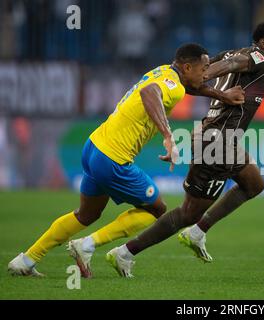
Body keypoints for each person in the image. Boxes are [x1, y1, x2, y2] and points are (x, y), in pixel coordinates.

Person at [7, 43, 245, 277]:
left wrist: (221, 95)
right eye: (204, 69)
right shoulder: (171, 85)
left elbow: (189, 87)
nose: (207, 75)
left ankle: (26, 259)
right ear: (186, 68)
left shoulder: (165, 72)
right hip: (112, 158)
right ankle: (86, 245)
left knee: (86, 214)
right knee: (156, 208)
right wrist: (168, 136)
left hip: (93, 147)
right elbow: (149, 92)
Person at [106, 21, 264, 277]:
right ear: (263, 44)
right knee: (188, 212)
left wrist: (217, 89)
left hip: (223, 140)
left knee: (254, 183)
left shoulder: (231, 52)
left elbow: (191, 83)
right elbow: (226, 67)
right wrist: (211, 74)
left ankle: (198, 232)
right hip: (216, 144)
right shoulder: (259, 59)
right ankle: (125, 252)